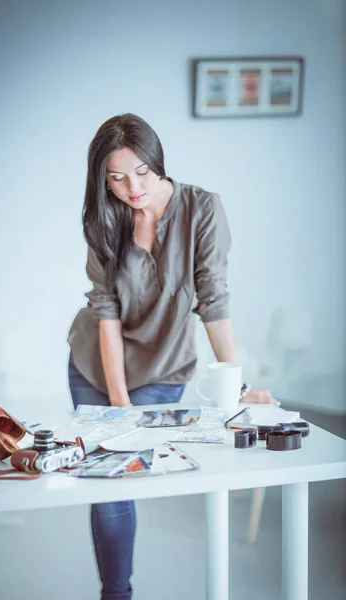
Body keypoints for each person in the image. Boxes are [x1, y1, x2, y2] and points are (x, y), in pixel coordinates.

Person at [67, 113, 278, 600]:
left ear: (157, 161)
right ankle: (116, 593)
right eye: (115, 177)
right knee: (109, 484)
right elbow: (106, 314)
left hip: (163, 366)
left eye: (140, 171)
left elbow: (214, 301)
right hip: (95, 363)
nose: (131, 187)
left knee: (141, 469)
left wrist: (237, 389)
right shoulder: (103, 218)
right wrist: (118, 402)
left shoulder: (202, 209)